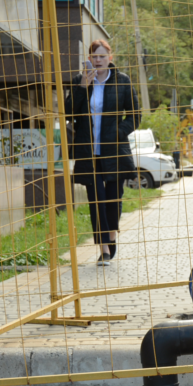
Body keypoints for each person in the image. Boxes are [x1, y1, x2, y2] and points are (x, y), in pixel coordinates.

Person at [66, 40, 139, 267]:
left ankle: (112, 233)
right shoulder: (80, 81)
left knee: (113, 198)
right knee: (95, 199)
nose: (97, 61)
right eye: (93, 57)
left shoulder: (122, 81)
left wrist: (118, 132)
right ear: (89, 59)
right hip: (89, 152)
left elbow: (135, 115)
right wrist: (81, 89)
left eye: (101, 56)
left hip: (114, 150)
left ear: (110, 57)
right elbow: (68, 113)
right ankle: (104, 248)